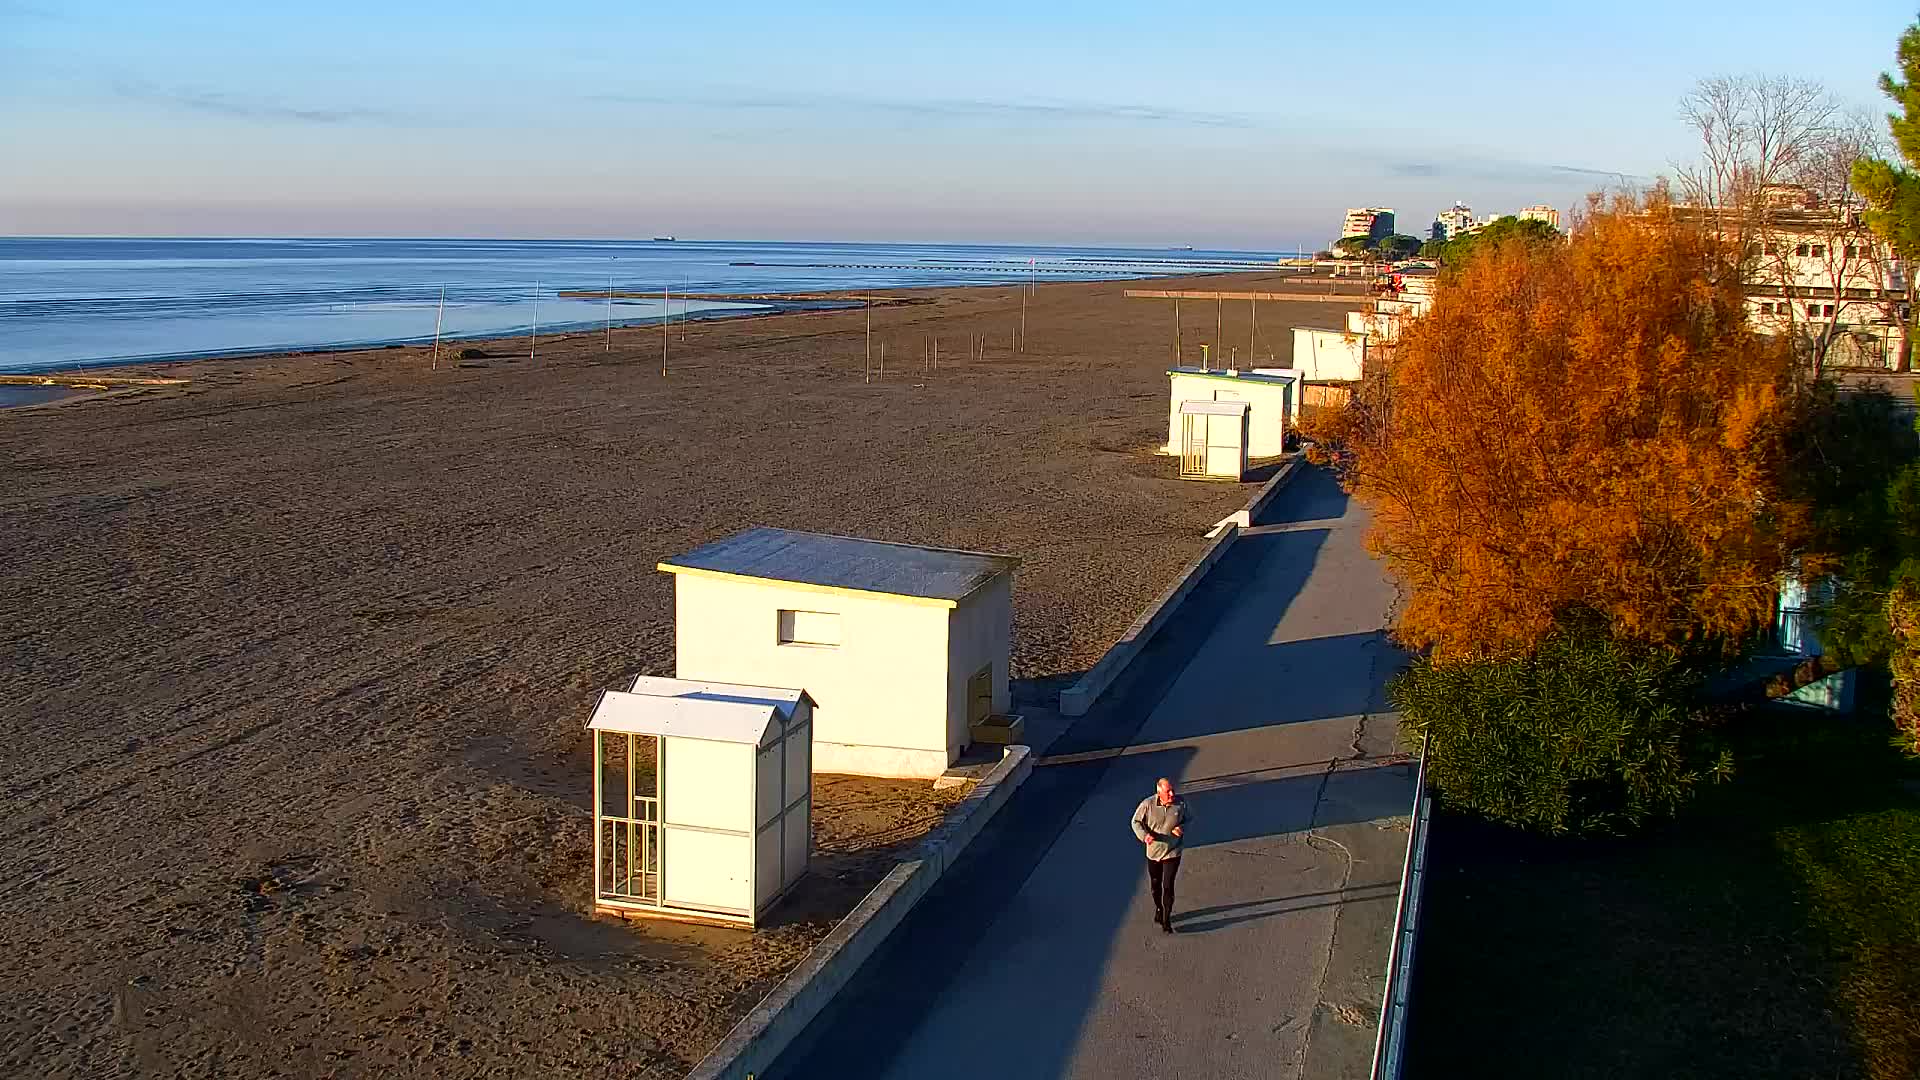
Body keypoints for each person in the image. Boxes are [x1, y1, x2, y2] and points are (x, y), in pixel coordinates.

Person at [1131, 777, 1190, 934]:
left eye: (1173, 790)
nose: (1172, 794)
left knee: (1168, 885)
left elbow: (1189, 819)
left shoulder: (1181, 803)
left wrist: (1181, 827)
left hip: (1173, 851)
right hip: (1154, 852)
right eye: (1168, 791)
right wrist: (1144, 836)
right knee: (1155, 884)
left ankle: (1166, 918)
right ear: (1159, 793)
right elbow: (1135, 822)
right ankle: (1159, 907)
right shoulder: (1147, 805)